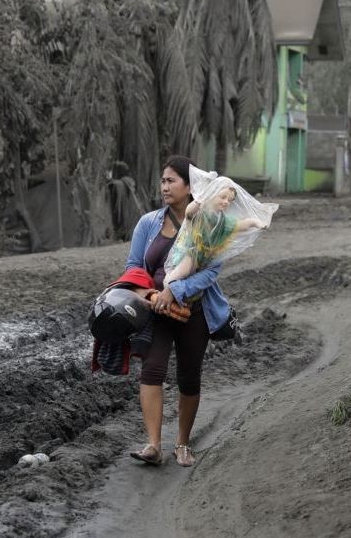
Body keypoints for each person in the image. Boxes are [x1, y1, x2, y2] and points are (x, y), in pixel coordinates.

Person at [124, 156, 232, 467]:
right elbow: (133, 266)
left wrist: (175, 291)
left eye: (171, 180)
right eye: (162, 181)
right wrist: (149, 293)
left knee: (189, 376)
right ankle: (153, 445)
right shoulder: (148, 223)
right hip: (155, 310)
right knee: (151, 369)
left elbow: (211, 272)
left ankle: (182, 445)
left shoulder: (212, 223)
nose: (164, 186)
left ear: (190, 185)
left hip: (193, 311)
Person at [163, 182, 268, 285]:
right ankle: (168, 284)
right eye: (222, 197)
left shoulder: (222, 220)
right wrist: (198, 202)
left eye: (230, 200)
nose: (226, 202)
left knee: (193, 280)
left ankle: (176, 293)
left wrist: (255, 222)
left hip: (204, 257)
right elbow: (189, 213)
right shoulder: (202, 212)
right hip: (190, 251)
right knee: (182, 272)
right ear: (212, 195)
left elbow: (240, 225)